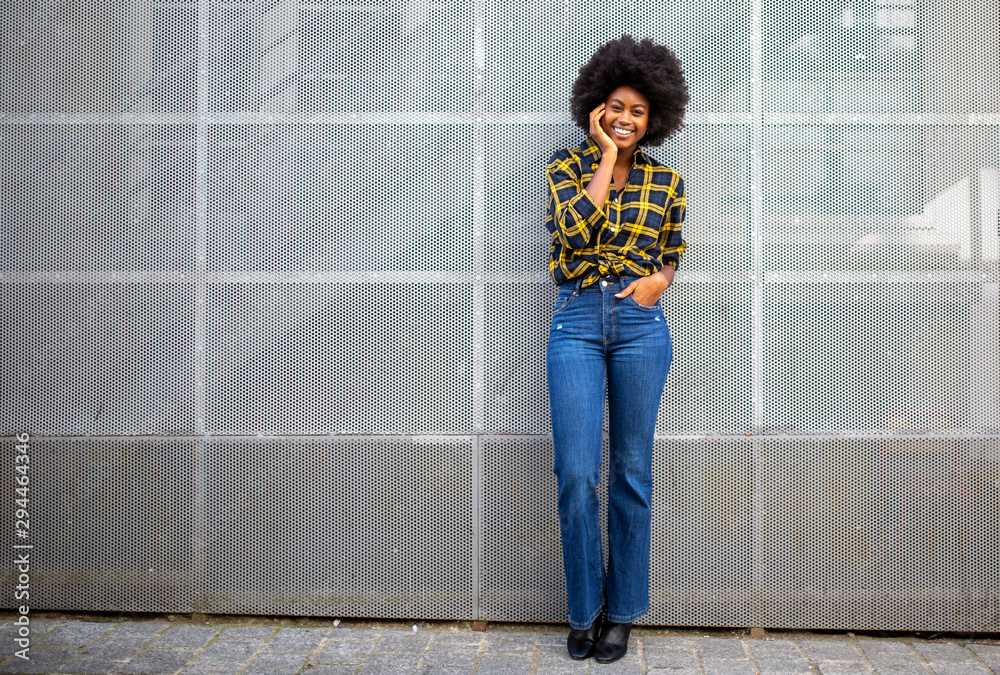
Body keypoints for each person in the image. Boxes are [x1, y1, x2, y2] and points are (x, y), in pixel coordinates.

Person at [544, 35, 688, 663]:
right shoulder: (567, 167)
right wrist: (603, 156)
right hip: (576, 316)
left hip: (638, 327)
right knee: (576, 473)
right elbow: (573, 232)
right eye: (615, 109)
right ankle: (583, 609)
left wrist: (657, 283)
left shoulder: (668, 181)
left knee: (631, 471)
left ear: (655, 115)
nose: (626, 120)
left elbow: (671, 253)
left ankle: (624, 611)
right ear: (596, 108)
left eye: (637, 111)